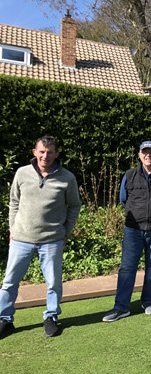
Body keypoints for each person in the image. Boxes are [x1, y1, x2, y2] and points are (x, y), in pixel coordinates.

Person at [0, 136, 81, 339]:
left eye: (50, 152)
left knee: (53, 282)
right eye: (42, 151)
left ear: (56, 154)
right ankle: (5, 319)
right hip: (21, 238)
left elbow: (74, 206)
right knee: (10, 281)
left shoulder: (67, 178)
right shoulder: (22, 173)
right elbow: (14, 202)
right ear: (34, 152)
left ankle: (51, 317)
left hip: (51, 240)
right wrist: (13, 229)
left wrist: (65, 232)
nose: (45, 156)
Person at [102, 141, 151, 322]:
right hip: (133, 230)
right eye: (144, 152)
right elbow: (123, 200)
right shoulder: (129, 175)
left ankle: (148, 301)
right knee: (127, 269)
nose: (148, 156)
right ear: (139, 155)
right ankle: (121, 307)